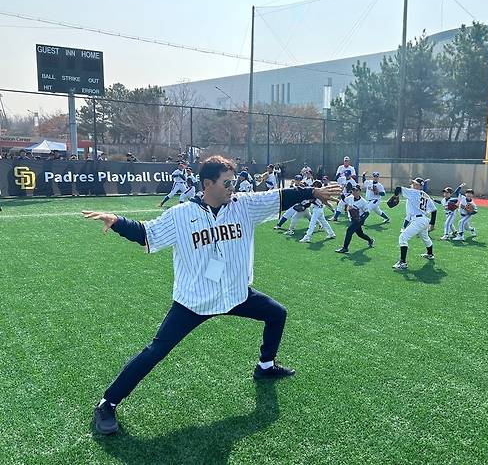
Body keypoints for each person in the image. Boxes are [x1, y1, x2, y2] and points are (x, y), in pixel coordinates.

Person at [83, 154, 341, 435]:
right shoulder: (181, 215)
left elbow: (279, 196)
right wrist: (117, 221)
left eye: (234, 182)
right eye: (227, 183)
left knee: (277, 313)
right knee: (156, 350)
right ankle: (107, 403)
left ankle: (265, 365)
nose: (233, 188)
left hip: (236, 294)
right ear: (208, 184)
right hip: (195, 301)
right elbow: (147, 234)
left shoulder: (244, 206)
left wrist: (312, 191)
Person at [392, 178, 438, 270]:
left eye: (416, 184)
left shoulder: (413, 192)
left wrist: (396, 196)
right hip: (424, 220)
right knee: (425, 238)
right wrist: (432, 224)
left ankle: (403, 262)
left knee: (403, 237)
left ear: (420, 186)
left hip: (418, 220)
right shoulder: (426, 195)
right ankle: (430, 254)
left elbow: (397, 188)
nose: (413, 185)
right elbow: (434, 210)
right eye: (413, 183)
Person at [335, 185, 374, 253]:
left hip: (359, 219)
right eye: (353, 190)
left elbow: (367, 212)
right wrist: (342, 195)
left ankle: (345, 248)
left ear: (359, 191)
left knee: (349, 231)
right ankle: (370, 240)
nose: (354, 192)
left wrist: (362, 219)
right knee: (360, 234)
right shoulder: (350, 197)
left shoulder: (363, 202)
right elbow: (345, 200)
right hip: (353, 219)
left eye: (356, 190)